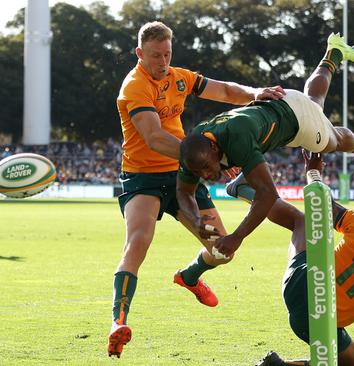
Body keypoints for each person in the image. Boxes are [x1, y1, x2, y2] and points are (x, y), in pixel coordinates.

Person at [108, 21, 286, 358]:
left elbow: (223, 90)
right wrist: (210, 163)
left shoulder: (179, 76)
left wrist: (254, 93)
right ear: (139, 54)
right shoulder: (134, 87)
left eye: (167, 54)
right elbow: (154, 138)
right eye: (154, 55)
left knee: (223, 250)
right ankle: (118, 322)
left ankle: (189, 276)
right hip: (142, 176)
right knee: (138, 241)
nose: (162, 61)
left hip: (183, 173)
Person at [225, 150, 354, 366]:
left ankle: (245, 190)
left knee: (302, 221)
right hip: (318, 322)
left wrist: (313, 172)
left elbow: (322, 206)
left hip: (297, 286)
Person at [177, 33, 354, 260]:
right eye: (199, 172)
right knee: (314, 100)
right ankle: (334, 53)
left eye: (206, 167)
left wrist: (237, 236)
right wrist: (195, 220)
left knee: (334, 141)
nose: (206, 175)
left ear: (213, 149)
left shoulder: (236, 137)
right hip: (282, 105)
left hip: (299, 122)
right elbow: (183, 190)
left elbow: (268, 194)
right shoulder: (193, 150)